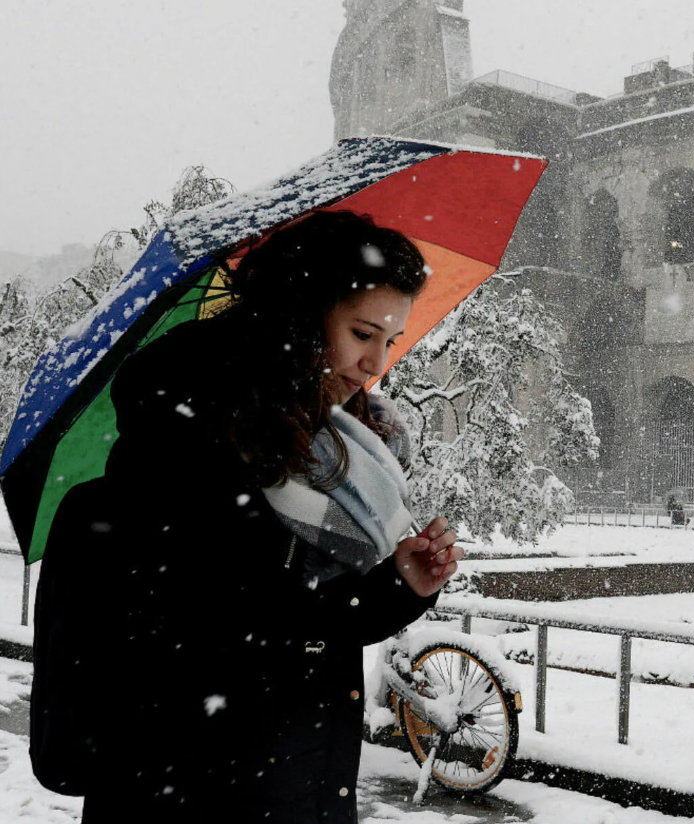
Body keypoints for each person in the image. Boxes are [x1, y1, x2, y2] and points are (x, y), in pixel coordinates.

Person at [58, 211, 463, 823]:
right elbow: (228, 639)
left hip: (292, 784)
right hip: (196, 796)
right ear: (301, 316)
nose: (375, 362)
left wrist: (398, 585)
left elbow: (301, 624)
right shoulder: (188, 442)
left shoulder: (320, 450)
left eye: (391, 340)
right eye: (361, 333)